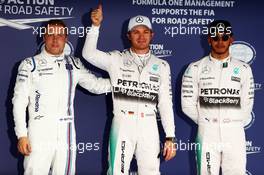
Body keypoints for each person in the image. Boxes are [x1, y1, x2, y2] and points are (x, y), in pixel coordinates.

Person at [82, 4, 176, 175]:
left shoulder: (162, 65)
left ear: (152, 35)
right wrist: (95, 26)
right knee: (117, 171)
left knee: (151, 172)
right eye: (136, 32)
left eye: (145, 32)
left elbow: (165, 103)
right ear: (128, 35)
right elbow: (89, 54)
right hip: (123, 124)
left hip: (149, 125)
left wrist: (170, 136)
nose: (141, 36)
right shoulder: (116, 59)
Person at [12, 19, 111, 175]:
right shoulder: (30, 64)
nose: (55, 39)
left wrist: (124, 82)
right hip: (39, 131)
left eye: (60, 35)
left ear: (66, 38)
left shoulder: (74, 63)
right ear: (43, 37)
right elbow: (19, 102)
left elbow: (96, 85)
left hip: (66, 132)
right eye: (51, 34)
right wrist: (22, 135)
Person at [181, 20, 254, 175]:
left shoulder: (244, 69)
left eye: (224, 37)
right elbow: (187, 105)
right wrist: (206, 120)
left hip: (234, 132)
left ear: (231, 39)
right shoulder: (195, 68)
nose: (220, 42)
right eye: (215, 38)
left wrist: (231, 120)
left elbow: (247, 104)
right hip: (207, 133)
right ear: (209, 40)